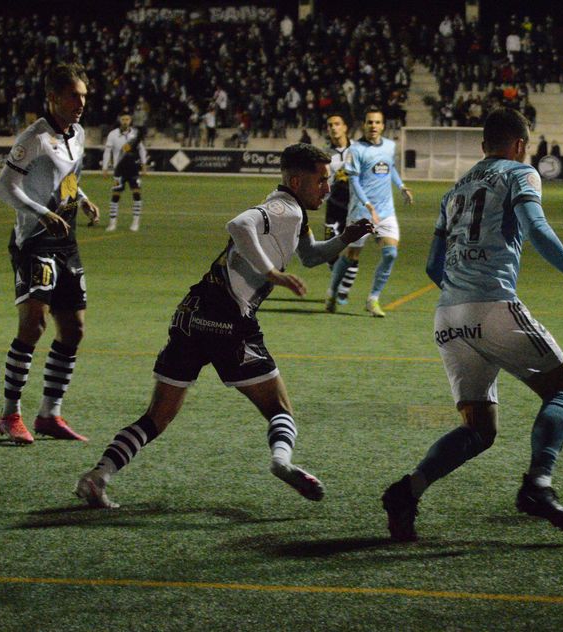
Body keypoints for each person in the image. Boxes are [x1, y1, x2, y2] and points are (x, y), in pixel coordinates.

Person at [74, 144, 373, 508]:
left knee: (157, 418)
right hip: (229, 321)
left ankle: (98, 477)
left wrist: (345, 238)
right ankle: (282, 462)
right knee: (280, 409)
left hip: (192, 312)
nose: (327, 188)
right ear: (297, 181)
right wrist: (273, 273)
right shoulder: (284, 208)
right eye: (321, 180)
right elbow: (239, 224)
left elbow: (310, 257)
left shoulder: (291, 211)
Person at [380, 108, 563, 542]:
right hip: (493, 307)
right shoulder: (520, 173)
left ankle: (407, 491)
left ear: (483, 146)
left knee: (479, 430)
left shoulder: (454, 191)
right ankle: (538, 485)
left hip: (448, 316)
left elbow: (432, 266)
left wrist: (463, 294)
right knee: (561, 391)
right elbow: (536, 227)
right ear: (520, 145)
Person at [0, 62, 100, 444]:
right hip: (35, 239)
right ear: (52, 97)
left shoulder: (78, 133)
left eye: (84, 96)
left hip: (65, 240)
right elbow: (4, 187)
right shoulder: (34, 138)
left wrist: (82, 199)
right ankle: (10, 414)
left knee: (73, 329)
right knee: (34, 324)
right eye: (73, 96)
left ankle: (49, 414)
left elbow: (66, 178)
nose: (81, 103)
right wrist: (42, 213)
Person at [325, 106, 413, 316]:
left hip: (386, 212)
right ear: (364, 125)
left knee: (390, 253)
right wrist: (367, 205)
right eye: (369, 122)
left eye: (377, 122)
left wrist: (401, 187)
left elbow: (390, 167)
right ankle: (332, 292)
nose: (373, 126)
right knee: (351, 255)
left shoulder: (390, 146)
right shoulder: (356, 150)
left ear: (382, 126)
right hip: (361, 212)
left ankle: (373, 299)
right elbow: (354, 180)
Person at [321, 113, 360, 306]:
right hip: (333, 208)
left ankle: (342, 291)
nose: (333, 128)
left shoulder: (359, 149)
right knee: (329, 251)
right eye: (330, 125)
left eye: (337, 124)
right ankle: (339, 283)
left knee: (353, 250)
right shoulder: (323, 154)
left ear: (345, 127)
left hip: (354, 208)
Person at [101, 110, 148, 232]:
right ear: (119, 120)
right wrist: (105, 167)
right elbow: (107, 151)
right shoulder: (113, 134)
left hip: (133, 169)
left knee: (137, 194)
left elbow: (141, 149)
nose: (125, 122)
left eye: (127, 119)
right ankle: (112, 223)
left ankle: (135, 223)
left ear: (130, 120)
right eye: (123, 119)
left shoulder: (135, 134)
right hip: (119, 170)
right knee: (116, 195)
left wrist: (144, 165)